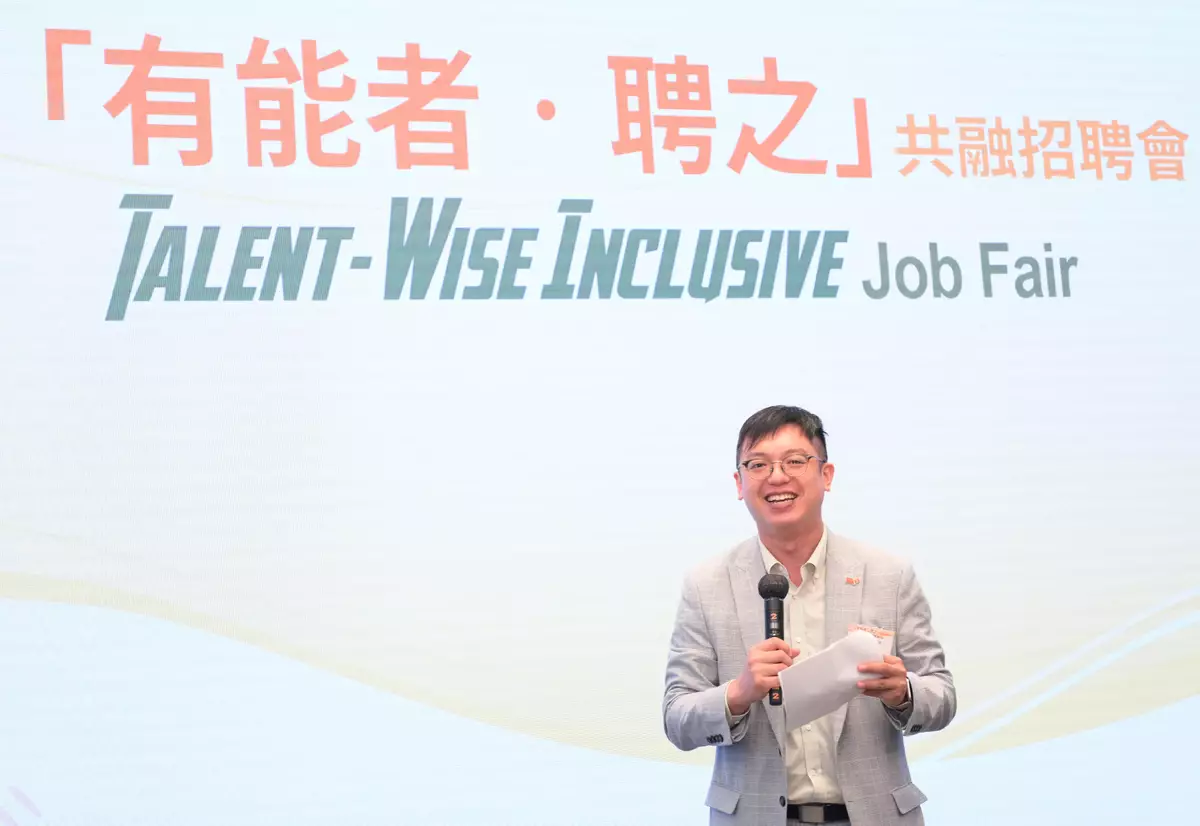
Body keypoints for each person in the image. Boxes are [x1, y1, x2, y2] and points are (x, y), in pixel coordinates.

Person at [662, 405, 956, 826]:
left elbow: (942, 696)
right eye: (758, 464)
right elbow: (677, 718)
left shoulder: (887, 575)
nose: (777, 476)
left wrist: (903, 693)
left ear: (826, 475)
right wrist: (738, 693)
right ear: (739, 484)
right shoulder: (706, 585)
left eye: (795, 461)